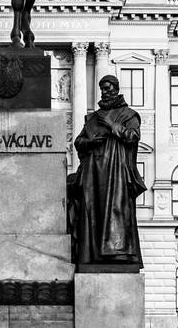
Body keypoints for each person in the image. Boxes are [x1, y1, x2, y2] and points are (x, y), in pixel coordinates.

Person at [67, 74, 145, 267]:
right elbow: (78, 142)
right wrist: (91, 141)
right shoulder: (93, 117)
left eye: (109, 88)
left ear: (117, 89)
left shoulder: (129, 115)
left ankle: (117, 253)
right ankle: (91, 255)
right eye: (103, 88)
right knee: (92, 214)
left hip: (116, 173)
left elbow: (133, 137)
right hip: (93, 173)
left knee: (115, 213)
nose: (106, 91)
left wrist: (111, 126)